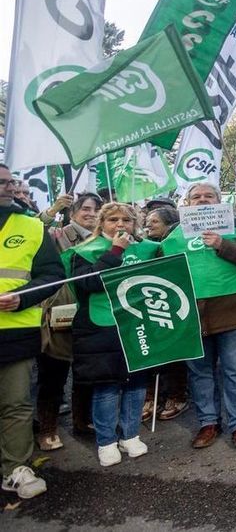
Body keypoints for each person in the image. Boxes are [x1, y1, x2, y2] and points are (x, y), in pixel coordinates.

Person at [161, 183, 236, 449]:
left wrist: (223, 244)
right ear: (186, 203)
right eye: (196, 197)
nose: (203, 200)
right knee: (200, 371)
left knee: (235, 369)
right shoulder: (173, 234)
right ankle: (208, 422)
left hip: (232, 308)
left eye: (209, 196)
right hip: (192, 312)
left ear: (220, 201)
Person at [66, 203, 160, 466]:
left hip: (138, 324)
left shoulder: (149, 249)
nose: (120, 224)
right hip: (100, 327)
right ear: (101, 223)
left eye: (127, 220)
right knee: (106, 386)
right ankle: (106, 440)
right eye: (113, 219)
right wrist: (116, 251)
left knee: (136, 382)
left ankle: (129, 434)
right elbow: (87, 283)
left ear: (135, 224)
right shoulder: (84, 251)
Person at [0, 164, 63, 498]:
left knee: (15, 405)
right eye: (2, 182)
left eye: (11, 182)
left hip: (14, 333)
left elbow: (53, 274)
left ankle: (15, 469)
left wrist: (22, 297)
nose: (9, 187)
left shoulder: (31, 226)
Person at [35, 192, 103, 449]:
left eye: (96, 209)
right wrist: (52, 211)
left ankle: (82, 420)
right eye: (85, 208)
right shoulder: (57, 235)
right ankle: (48, 428)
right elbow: (34, 231)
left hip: (91, 312)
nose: (91, 214)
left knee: (86, 370)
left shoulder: (102, 240)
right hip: (59, 312)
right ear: (71, 211)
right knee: (53, 372)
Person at [141, 207, 189, 422]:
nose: (148, 225)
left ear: (169, 224)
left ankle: (176, 396)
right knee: (149, 353)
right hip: (149, 304)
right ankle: (150, 396)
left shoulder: (178, 243)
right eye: (147, 221)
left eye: (154, 222)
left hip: (174, 304)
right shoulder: (144, 246)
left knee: (175, 354)